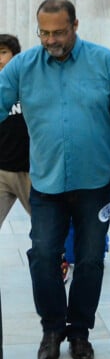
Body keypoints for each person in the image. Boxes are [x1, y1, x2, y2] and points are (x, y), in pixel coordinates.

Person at [0, 0, 110, 359]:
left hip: (95, 184)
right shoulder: (22, 67)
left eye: (59, 32)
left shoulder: (104, 62)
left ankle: (79, 331)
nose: (51, 39)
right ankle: (52, 329)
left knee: (91, 260)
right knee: (43, 256)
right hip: (46, 183)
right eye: (44, 33)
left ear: (75, 25)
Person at [0, 34, 31, 229]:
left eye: (3, 53)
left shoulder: (29, 85)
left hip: (31, 171)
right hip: (2, 169)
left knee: (47, 231)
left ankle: (61, 256)